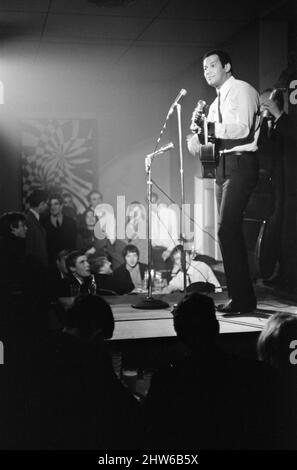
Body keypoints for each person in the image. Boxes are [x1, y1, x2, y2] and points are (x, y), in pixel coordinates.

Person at [144, 292, 278, 449]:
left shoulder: (165, 380)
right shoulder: (256, 374)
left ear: (179, 332)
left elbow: (153, 433)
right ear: (216, 327)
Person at [187, 50, 260, 314]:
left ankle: (243, 299)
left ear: (227, 66)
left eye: (213, 65)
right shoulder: (215, 102)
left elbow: (242, 128)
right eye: (204, 67)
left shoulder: (242, 90)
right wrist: (196, 139)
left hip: (241, 164)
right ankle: (241, 297)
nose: (207, 70)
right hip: (223, 167)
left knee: (227, 229)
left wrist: (210, 130)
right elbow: (208, 140)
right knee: (227, 232)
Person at [261, 90, 297, 293]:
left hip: (292, 185)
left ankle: (290, 279)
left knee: (290, 232)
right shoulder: (269, 125)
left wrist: (278, 115)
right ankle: (283, 275)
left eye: (267, 103)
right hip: (278, 186)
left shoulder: (288, 121)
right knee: (281, 233)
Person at [42, 194, 77, 265]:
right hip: (49, 262)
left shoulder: (71, 222)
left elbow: (73, 244)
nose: (53, 207)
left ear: (61, 206)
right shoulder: (43, 222)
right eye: (50, 205)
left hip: (67, 261)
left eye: (56, 204)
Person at [25, 189, 48, 269]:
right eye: (46, 204)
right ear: (41, 203)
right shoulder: (29, 221)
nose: (47, 206)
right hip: (35, 268)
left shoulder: (33, 219)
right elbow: (29, 250)